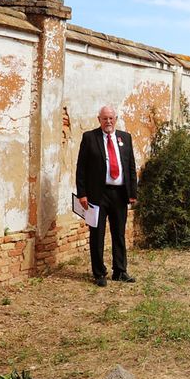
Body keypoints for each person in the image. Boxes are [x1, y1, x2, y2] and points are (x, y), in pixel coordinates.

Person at [76, 105, 138, 287]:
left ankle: (120, 271)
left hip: (119, 194)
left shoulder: (125, 138)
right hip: (97, 194)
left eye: (111, 118)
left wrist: (132, 192)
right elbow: (81, 167)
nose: (108, 121)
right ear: (99, 120)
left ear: (115, 119)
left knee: (119, 233)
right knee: (97, 234)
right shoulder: (90, 138)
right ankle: (99, 273)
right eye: (105, 118)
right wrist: (82, 193)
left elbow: (131, 167)